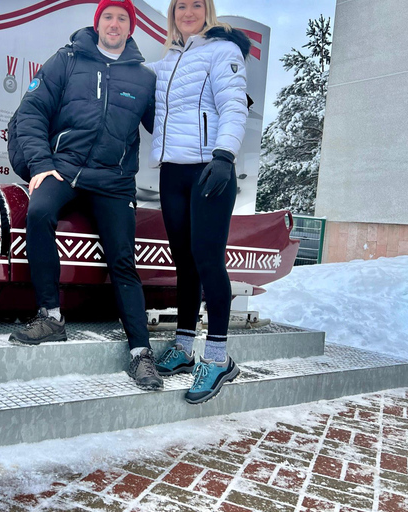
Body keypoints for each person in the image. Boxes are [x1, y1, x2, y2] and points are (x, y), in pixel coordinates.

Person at [8, 0, 162, 391]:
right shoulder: (66, 60)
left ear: (131, 28)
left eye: (122, 18)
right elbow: (30, 114)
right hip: (65, 168)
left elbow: (167, 128)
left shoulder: (144, 78)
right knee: (39, 213)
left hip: (112, 181)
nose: (114, 24)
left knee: (123, 260)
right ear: (97, 24)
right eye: (108, 16)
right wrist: (41, 165)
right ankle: (52, 317)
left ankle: (140, 354)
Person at [148, 0, 250, 403]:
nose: (186, 12)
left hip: (211, 169)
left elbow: (233, 106)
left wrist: (225, 156)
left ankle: (218, 357)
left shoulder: (223, 50)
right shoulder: (170, 59)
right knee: (185, 262)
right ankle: (185, 347)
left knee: (208, 261)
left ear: (206, 10)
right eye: (180, 6)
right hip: (173, 171)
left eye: (195, 5)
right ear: (173, 13)